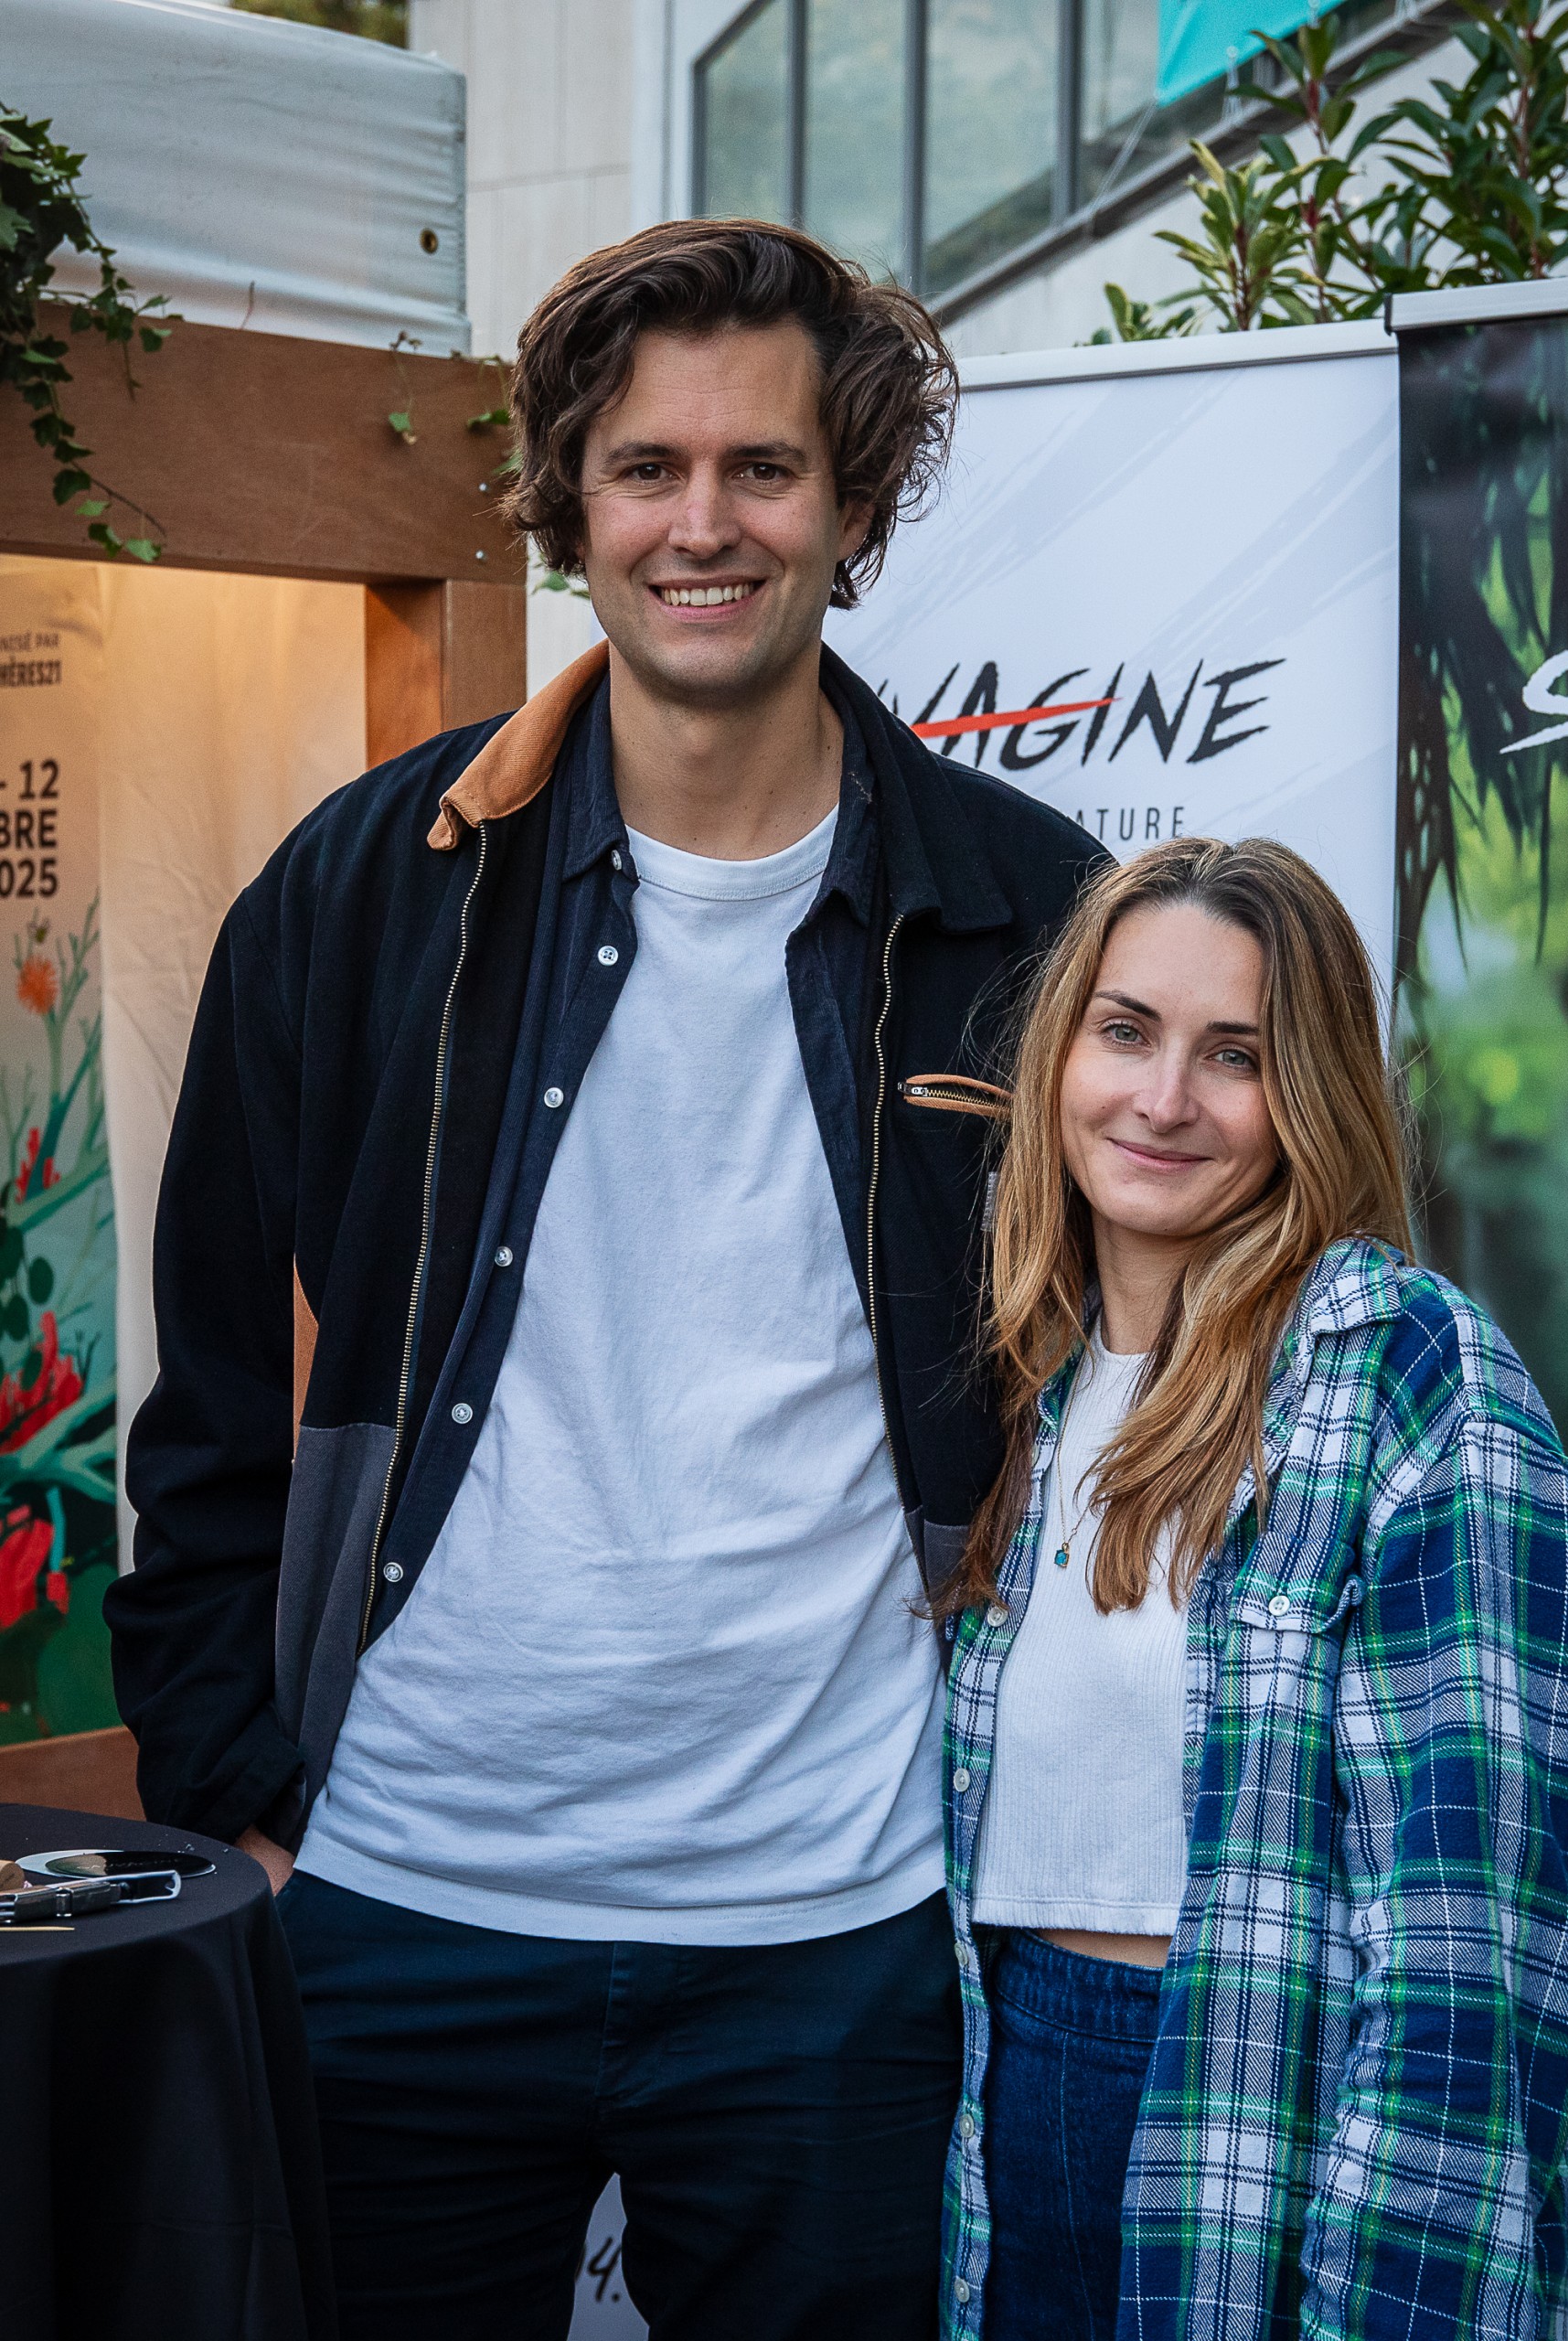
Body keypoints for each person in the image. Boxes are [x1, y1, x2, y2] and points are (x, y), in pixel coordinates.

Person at [105, 219, 1105, 2341]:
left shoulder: (1029, 911)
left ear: (852, 503)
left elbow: (1121, 1395)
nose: (701, 523)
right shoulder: (365, 888)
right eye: (646, 467)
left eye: (764, 468)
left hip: (837, 1928)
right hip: (394, 1903)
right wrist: (237, 1800)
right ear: (569, 501)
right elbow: (207, 1395)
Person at [937, 838, 1568, 2341]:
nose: (1164, 1099)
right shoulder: (1023, 1377)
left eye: (1234, 1055)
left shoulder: (1409, 1370)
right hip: (997, 2081)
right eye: (1126, 1031)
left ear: (1311, 1094)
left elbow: (1471, 1956)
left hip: (1246, 2103)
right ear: (1059, 1056)